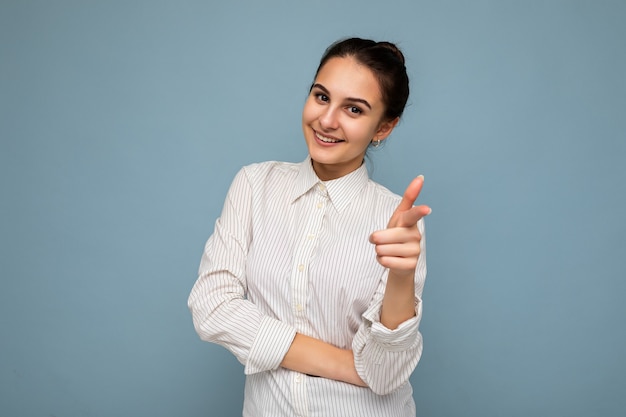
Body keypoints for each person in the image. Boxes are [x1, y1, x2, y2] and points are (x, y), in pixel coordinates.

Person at [188, 37, 431, 417]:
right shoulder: (254, 186)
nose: (327, 120)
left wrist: (402, 276)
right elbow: (212, 306)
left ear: (384, 127)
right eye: (321, 97)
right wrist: (345, 365)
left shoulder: (395, 221)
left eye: (354, 109)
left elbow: (384, 375)